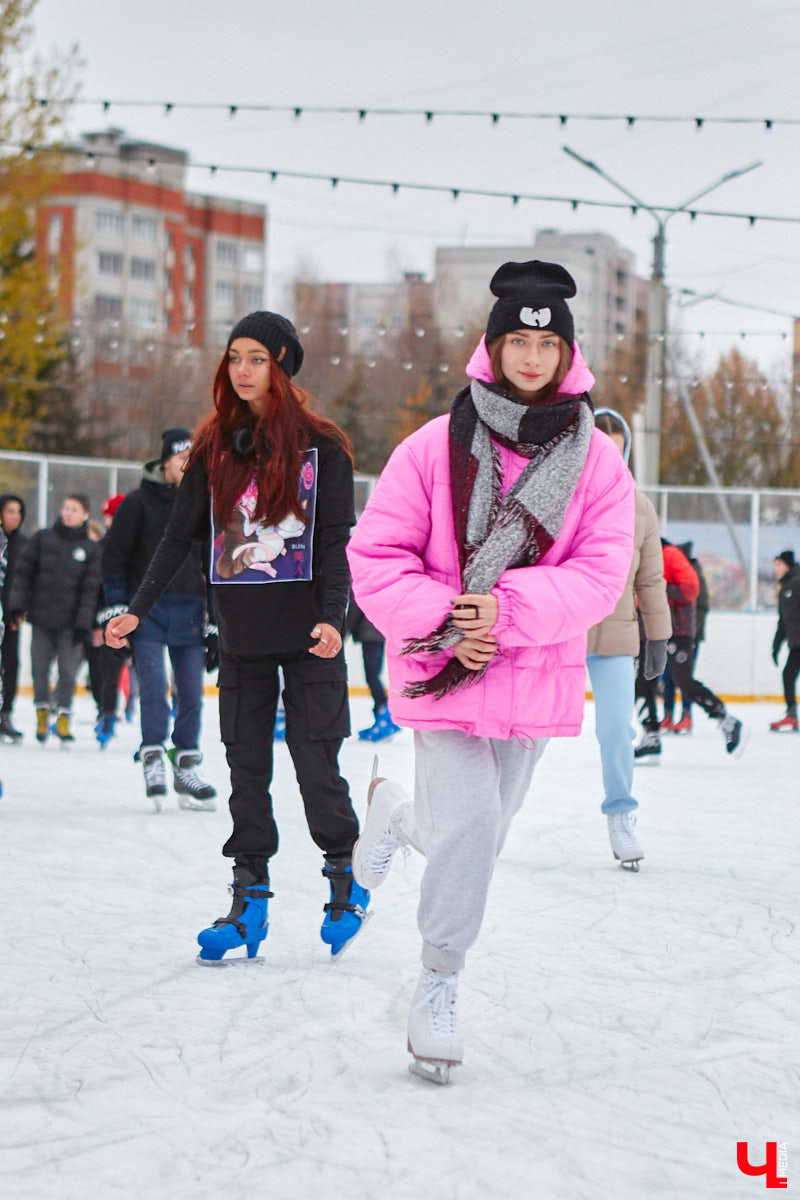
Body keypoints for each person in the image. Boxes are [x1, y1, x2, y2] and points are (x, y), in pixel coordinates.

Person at [347, 260, 635, 1082]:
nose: (533, 356)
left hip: (532, 673)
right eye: (519, 339)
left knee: (472, 838)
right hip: (446, 670)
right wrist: (446, 617)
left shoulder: (598, 465)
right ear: (494, 344)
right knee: (471, 828)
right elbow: (376, 557)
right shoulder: (434, 446)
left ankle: (396, 814)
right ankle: (437, 985)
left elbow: (599, 575)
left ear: (566, 351)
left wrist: (504, 607)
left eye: (548, 342)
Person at [105, 311, 366, 962]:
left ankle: (343, 878)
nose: (242, 370)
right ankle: (247, 903)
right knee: (247, 774)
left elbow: (335, 543)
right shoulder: (215, 447)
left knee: (315, 769)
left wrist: (333, 619)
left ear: (281, 365)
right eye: (234, 357)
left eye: (256, 358)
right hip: (244, 637)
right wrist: (136, 607)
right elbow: (178, 537)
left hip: (310, 637)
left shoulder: (323, 448)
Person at [101, 428, 216, 805]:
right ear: (164, 461)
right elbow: (115, 561)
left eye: (191, 458)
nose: (185, 465)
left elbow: (215, 568)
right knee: (152, 690)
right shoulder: (137, 503)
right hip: (146, 613)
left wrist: (215, 622)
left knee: (192, 694)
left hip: (189, 612)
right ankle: (152, 754)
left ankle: (186, 764)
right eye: (179, 458)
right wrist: (119, 609)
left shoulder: (204, 504)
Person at [586, 410, 670, 870]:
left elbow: (651, 580)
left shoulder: (639, 506)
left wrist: (657, 636)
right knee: (530, 729)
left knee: (616, 729)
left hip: (616, 637)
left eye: (619, 448)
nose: (610, 457)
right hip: (562, 632)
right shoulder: (564, 494)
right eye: (603, 446)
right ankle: (498, 815)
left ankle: (620, 815)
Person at [635, 539, 747, 761]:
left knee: (683, 681)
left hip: (677, 631)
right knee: (642, 682)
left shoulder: (669, 554)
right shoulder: (642, 557)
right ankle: (651, 736)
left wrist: (654, 590)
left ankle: (727, 720)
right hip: (652, 632)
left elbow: (691, 587)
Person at [9, 493, 101, 744]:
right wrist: (17, 606)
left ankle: (63, 718)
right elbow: (23, 574)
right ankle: (41, 714)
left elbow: (90, 590)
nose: (68, 513)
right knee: (39, 671)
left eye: (74, 509)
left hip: (72, 625)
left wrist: (85, 623)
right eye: (65, 508)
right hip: (41, 619)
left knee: (68, 673)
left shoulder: (91, 549)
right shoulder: (42, 539)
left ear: (84, 515)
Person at [660, 541, 709, 734]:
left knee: (684, 678)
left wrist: (694, 635)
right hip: (672, 633)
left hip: (687, 635)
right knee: (668, 677)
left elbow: (701, 607)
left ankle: (686, 715)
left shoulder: (693, 575)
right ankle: (669, 714)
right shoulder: (678, 572)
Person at [347, 594, 401, 741]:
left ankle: (385, 715)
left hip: (370, 633)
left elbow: (354, 610)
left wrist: (342, 633)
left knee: (372, 676)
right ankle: (382, 716)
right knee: (373, 675)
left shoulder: (359, 580)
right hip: (378, 631)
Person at [0, 494, 28, 742]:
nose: (15, 516)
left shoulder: (23, 544)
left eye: (18, 512)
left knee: (11, 665)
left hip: (11, 617)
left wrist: (19, 609)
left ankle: (5, 714)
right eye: (10, 511)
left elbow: (25, 580)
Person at [770, 549, 800, 731]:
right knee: (788, 675)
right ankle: (791, 714)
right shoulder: (785, 587)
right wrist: (776, 645)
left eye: (779, 565)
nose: (776, 569)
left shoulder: (796, 584)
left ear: (787, 565)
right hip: (796, 644)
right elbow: (783, 621)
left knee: (788, 674)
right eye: (774, 566)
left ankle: (791, 714)